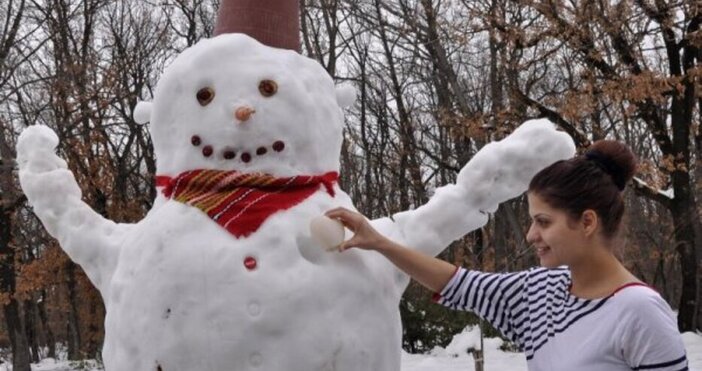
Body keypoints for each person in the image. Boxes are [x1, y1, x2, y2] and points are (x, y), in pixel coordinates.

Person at [326, 140, 688, 371]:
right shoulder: (541, 290)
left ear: (588, 221)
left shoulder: (639, 312)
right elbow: (459, 283)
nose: (532, 235)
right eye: (532, 222)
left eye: (543, 222)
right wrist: (380, 242)